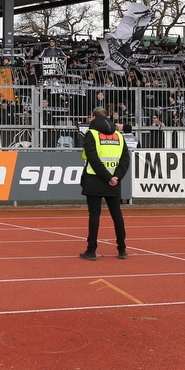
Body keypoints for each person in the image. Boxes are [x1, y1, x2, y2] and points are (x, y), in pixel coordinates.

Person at [79, 106, 130, 261]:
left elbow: (93, 159)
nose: (89, 119)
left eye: (90, 116)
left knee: (94, 215)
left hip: (95, 179)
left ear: (94, 117)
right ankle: (122, 249)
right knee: (117, 214)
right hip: (114, 181)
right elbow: (125, 159)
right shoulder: (119, 135)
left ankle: (91, 250)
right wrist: (116, 177)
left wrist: (107, 177)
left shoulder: (91, 134)